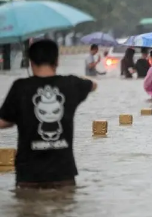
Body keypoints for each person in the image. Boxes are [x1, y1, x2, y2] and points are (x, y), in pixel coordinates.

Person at [0, 39, 97, 189]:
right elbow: (93, 85)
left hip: (29, 177)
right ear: (57, 60)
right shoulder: (71, 84)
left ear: (30, 61)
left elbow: (4, 122)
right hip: (63, 176)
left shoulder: (20, 87)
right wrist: (79, 79)